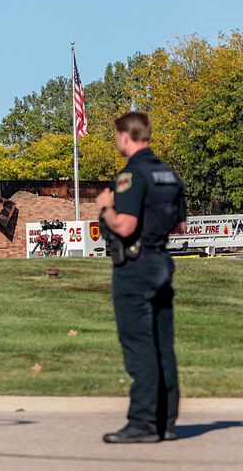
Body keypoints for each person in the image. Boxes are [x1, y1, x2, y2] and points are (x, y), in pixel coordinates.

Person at [95, 111, 187, 443]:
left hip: (136, 266)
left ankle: (143, 421)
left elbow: (126, 226)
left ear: (125, 136)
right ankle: (167, 420)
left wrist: (107, 207)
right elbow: (180, 227)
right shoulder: (169, 175)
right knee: (163, 343)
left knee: (138, 343)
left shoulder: (131, 175)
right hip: (162, 262)